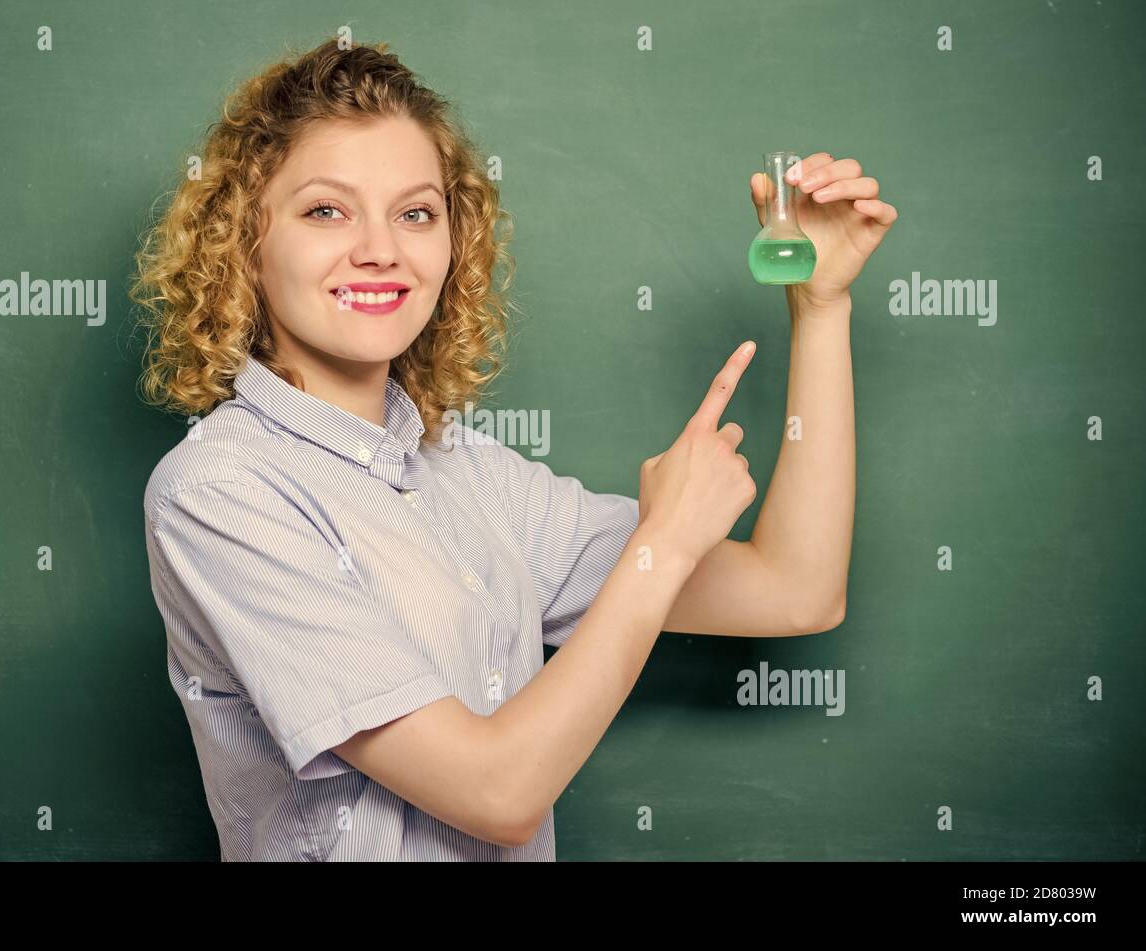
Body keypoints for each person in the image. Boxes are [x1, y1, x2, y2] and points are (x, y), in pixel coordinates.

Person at [131, 38, 895, 861]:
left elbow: (795, 591)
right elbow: (498, 793)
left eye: (416, 212)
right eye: (326, 210)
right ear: (246, 241)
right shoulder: (219, 490)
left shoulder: (467, 470)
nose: (381, 248)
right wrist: (661, 546)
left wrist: (821, 312)